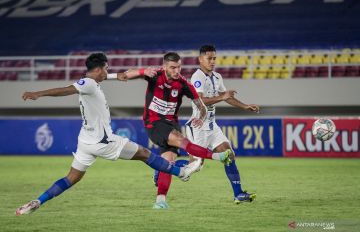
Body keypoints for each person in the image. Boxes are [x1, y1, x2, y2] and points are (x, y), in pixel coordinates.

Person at [15, 52, 202, 216]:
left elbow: (108, 76)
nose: (107, 72)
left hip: (86, 141)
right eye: (106, 68)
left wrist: (122, 75)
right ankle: (181, 172)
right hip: (103, 141)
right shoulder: (87, 83)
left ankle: (38, 201)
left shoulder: (92, 82)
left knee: (71, 178)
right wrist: (38, 94)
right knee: (145, 154)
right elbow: (66, 90)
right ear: (98, 70)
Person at [107, 52, 232, 209]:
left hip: (171, 123)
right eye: (173, 67)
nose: (176, 71)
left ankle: (160, 201)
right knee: (181, 140)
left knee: (168, 162)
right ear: (165, 66)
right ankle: (217, 156)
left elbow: (201, 106)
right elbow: (127, 74)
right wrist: (142, 71)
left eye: (179, 67)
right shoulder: (155, 74)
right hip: (153, 122)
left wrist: (201, 116)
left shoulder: (184, 84)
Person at [185, 45, 260, 204]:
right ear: (200, 59)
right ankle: (164, 168)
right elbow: (200, 100)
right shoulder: (197, 77)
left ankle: (238, 194)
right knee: (195, 166)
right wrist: (223, 96)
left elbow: (226, 97)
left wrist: (245, 106)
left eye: (214, 58)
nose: (212, 61)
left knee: (229, 155)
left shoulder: (217, 77)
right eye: (209, 58)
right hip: (198, 128)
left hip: (212, 126)